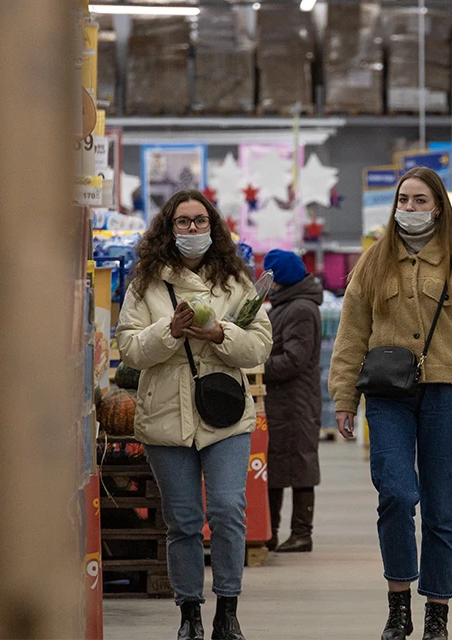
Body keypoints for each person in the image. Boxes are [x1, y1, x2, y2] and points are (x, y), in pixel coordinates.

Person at [329, 167, 452, 640]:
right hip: (388, 395)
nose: (408, 209)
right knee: (396, 493)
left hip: (448, 393)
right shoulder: (373, 263)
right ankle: (397, 605)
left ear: (438, 206)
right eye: (403, 200)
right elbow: (350, 337)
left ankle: (436, 613)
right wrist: (343, 398)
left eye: (419, 200)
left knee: (441, 506)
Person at [116, 190, 273, 640]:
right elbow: (129, 349)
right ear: (168, 230)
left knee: (227, 510)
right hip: (165, 417)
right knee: (182, 520)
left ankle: (228, 609)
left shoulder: (235, 282)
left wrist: (221, 332)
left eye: (199, 222)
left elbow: (260, 345)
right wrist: (171, 330)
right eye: (182, 222)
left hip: (225, 414)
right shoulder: (145, 285)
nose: (191, 230)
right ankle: (189, 613)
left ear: (213, 227)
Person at [261, 249, 324, 553]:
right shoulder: (287, 306)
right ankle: (269, 531)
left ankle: (302, 533)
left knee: (300, 465)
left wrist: (259, 367)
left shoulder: (299, 309)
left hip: (296, 401)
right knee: (276, 465)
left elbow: (295, 360)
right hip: (283, 400)